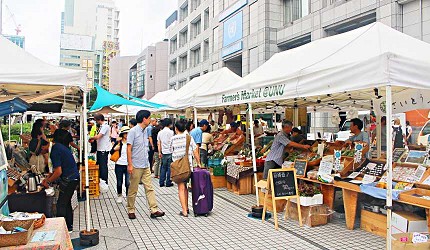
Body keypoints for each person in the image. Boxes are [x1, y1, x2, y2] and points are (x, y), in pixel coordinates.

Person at [126, 110, 165, 220]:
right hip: (136, 164)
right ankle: (131, 209)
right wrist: (130, 164)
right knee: (133, 189)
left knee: (149, 188)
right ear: (144, 119)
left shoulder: (146, 131)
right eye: (149, 118)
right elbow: (129, 149)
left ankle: (154, 210)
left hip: (145, 164)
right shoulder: (133, 131)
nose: (150, 120)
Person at [41, 131, 80, 232]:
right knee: (66, 203)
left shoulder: (55, 150)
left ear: (44, 146)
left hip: (69, 179)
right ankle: (69, 227)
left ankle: (60, 230)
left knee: (61, 204)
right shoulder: (58, 147)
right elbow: (55, 170)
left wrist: (48, 181)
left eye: (41, 150)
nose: (41, 152)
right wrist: (48, 178)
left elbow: (58, 172)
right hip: (73, 178)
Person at [170, 119, 202, 217]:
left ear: (176, 129)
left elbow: (171, 150)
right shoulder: (189, 138)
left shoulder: (173, 139)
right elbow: (195, 151)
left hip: (178, 168)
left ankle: (184, 210)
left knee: (181, 187)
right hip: (188, 166)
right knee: (185, 187)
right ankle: (187, 208)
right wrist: (199, 163)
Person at [89, 114, 111, 185]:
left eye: (96, 120)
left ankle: (104, 182)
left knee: (103, 166)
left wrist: (90, 138)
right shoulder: (102, 126)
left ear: (99, 119)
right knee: (100, 165)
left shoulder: (105, 126)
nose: (96, 122)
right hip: (100, 149)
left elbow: (98, 136)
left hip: (103, 150)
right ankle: (101, 181)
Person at [110, 126, 130, 203]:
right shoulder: (119, 142)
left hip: (128, 164)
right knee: (119, 182)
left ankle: (128, 196)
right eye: (125, 133)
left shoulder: (131, 142)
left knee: (128, 182)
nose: (127, 134)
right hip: (119, 164)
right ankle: (119, 195)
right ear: (123, 134)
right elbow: (111, 152)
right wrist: (115, 148)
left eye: (128, 133)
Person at [157, 118, 174, 187]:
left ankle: (161, 182)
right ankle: (168, 182)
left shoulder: (160, 132)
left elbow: (159, 143)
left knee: (163, 167)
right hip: (170, 151)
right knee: (170, 168)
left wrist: (159, 152)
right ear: (169, 124)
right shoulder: (171, 132)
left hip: (163, 152)